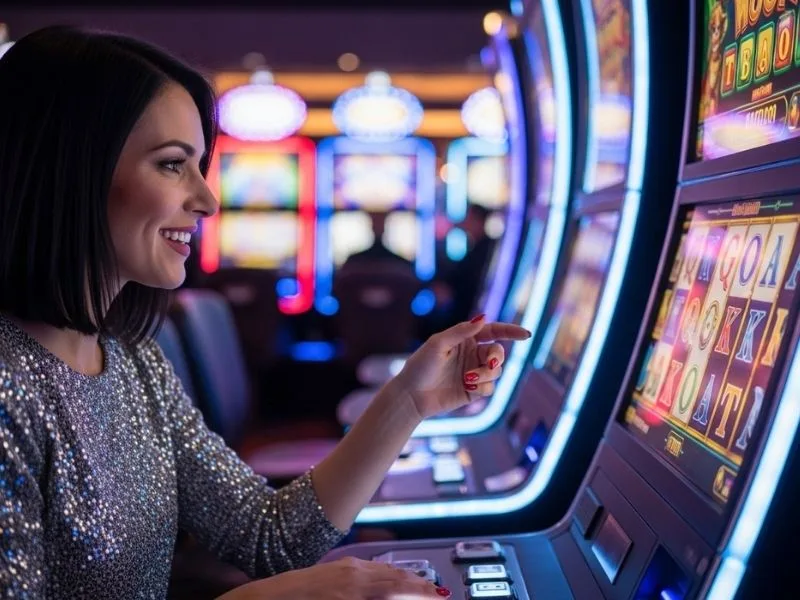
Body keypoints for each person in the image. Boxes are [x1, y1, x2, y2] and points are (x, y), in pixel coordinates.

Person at [0, 26, 531, 599]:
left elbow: (269, 537)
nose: (207, 200)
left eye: (201, 166)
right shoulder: (8, 385)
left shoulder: (132, 356)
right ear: (71, 168)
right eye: (173, 164)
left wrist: (409, 399)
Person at [341, 210, 412, 268]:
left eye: (380, 222)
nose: (378, 226)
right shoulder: (401, 263)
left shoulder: (353, 261)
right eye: (376, 222)